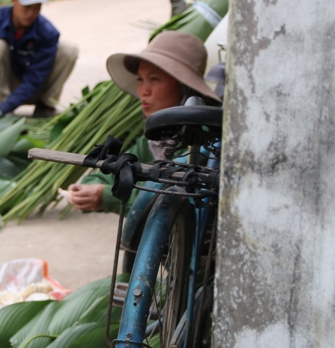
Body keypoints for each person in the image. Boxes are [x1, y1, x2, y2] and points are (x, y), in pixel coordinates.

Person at [67, 31, 221, 213]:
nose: (143, 91)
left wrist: (108, 197)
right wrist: (89, 188)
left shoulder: (202, 141)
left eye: (154, 79)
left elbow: (170, 197)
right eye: (140, 79)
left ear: (183, 87)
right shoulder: (156, 139)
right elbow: (118, 168)